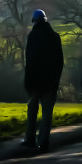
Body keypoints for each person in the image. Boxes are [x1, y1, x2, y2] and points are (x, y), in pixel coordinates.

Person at [22, 9, 63, 152]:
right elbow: (60, 62)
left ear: (35, 21)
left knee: (32, 111)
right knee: (47, 115)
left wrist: (27, 82)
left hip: (35, 83)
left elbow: (29, 61)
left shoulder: (32, 36)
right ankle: (43, 142)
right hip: (50, 84)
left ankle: (30, 139)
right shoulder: (55, 37)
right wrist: (56, 80)